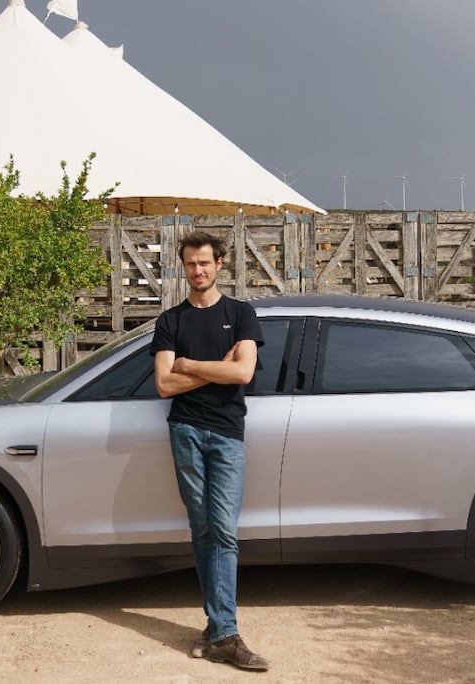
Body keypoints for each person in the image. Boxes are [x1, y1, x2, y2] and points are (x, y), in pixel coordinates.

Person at [151, 231, 269, 671]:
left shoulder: (241, 314)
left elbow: (243, 373)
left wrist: (189, 365)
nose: (198, 271)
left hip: (225, 434)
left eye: (205, 263)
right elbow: (164, 385)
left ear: (220, 264)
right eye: (190, 264)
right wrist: (216, 369)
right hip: (185, 431)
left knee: (222, 531)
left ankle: (225, 632)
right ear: (183, 268)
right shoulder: (171, 321)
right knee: (202, 530)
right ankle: (218, 627)